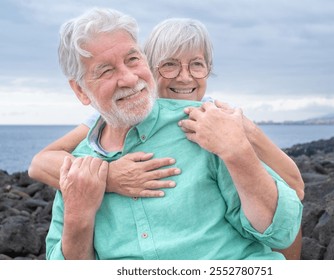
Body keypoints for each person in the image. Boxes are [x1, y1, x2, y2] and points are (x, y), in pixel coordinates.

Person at [29, 16, 304, 259]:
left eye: (132, 59)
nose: (128, 78)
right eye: (105, 70)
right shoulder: (81, 163)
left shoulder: (208, 123)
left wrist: (239, 148)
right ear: (80, 91)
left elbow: (285, 221)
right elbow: (41, 162)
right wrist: (85, 206)